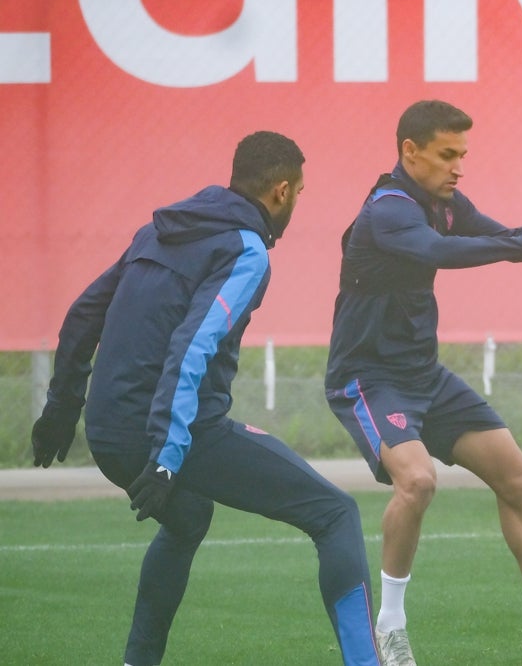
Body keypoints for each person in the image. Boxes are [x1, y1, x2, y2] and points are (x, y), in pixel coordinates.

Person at [30, 132, 381, 666]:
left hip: (107, 429)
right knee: (336, 513)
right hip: (172, 437)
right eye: (301, 193)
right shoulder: (247, 250)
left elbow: (83, 314)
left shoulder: (157, 230)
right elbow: (190, 345)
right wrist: (169, 455)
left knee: (190, 516)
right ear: (281, 191)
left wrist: (60, 410)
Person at [324, 100, 522, 665]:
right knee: (417, 481)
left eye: (463, 154)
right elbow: (441, 252)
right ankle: (387, 629)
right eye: (446, 155)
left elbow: (501, 238)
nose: (458, 166)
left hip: (423, 375)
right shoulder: (388, 210)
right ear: (409, 151)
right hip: (368, 379)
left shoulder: (446, 203)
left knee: (518, 475)